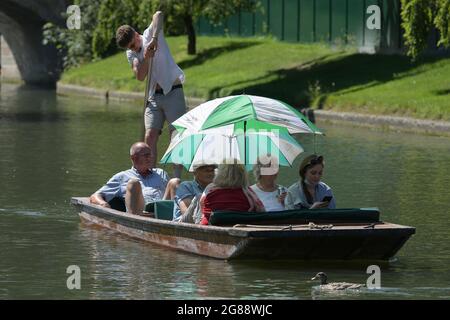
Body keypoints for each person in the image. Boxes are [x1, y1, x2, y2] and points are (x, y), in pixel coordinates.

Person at [115, 11, 186, 178]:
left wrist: (154, 39)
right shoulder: (131, 53)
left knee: (176, 134)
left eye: (133, 44)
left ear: (136, 34)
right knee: (150, 134)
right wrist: (146, 58)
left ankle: (176, 177)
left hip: (173, 91)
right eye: (130, 47)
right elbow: (140, 76)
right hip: (153, 96)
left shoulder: (150, 34)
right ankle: (150, 177)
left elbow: (159, 14)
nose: (133, 48)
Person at [89, 142, 180, 215]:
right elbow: (95, 196)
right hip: (141, 213)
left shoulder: (161, 173)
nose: (150, 157)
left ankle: (178, 219)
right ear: (134, 158)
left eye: (150, 154)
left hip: (161, 211)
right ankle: (134, 221)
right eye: (146, 155)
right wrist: (103, 204)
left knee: (175, 181)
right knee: (134, 182)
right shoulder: (122, 177)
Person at [199, 160, 265, 226]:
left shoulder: (210, 189)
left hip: (210, 229)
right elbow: (261, 211)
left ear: (220, 174)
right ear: (242, 174)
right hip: (239, 231)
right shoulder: (248, 192)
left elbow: (202, 207)